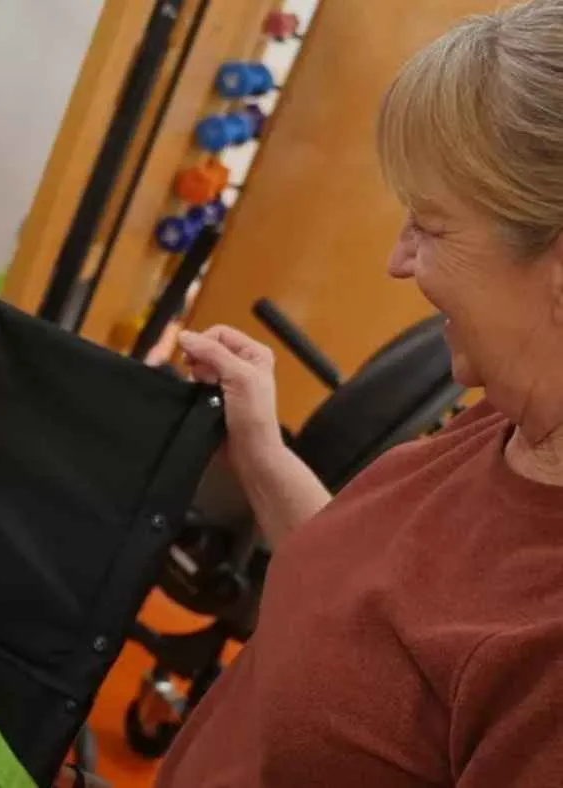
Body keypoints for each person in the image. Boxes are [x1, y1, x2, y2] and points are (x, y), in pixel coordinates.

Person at [153, 0, 563, 785]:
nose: (398, 262)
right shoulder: (508, 422)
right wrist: (262, 450)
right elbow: (376, 613)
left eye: (432, 227)